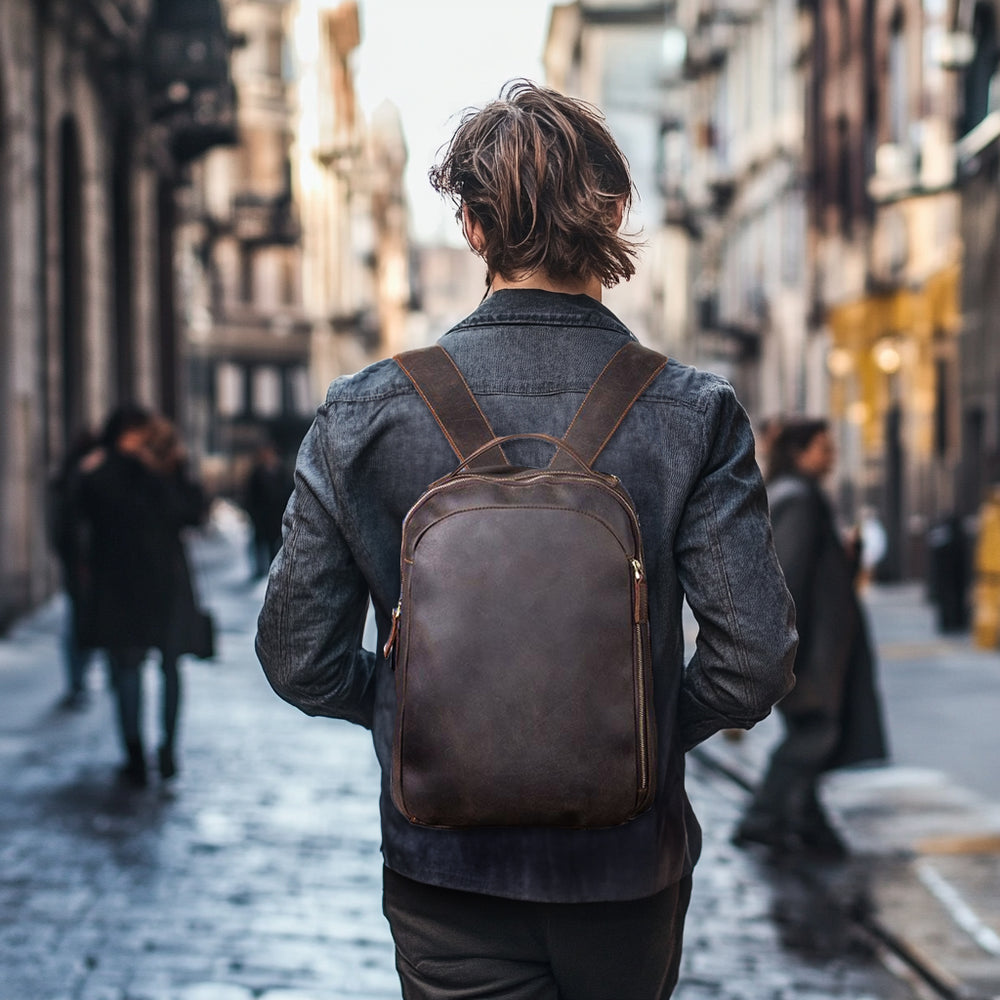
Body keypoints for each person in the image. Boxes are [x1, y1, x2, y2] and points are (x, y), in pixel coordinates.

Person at [256, 80, 796, 999]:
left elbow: (297, 656)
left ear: (468, 225)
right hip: (625, 870)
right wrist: (639, 737)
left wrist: (420, 718)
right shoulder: (692, 413)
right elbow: (753, 660)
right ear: (618, 210)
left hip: (446, 867)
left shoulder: (362, 415)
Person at [733, 417, 888, 858]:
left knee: (816, 733)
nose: (832, 455)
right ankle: (764, 820)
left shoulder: (796, 494)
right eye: (823, 447)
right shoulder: (798, 499)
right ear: (800, 452)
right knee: (815, 734)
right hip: (813, 651)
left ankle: (806, 822)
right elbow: (790, 578)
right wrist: (787, 650)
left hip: (817, 647)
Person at [76, 407, 207, 786]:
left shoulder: (120, 470)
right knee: (144, 668)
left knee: (147, 667)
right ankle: (148, 752)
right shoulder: (140, 470)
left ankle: (153, 753)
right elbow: (191, 511)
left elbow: (192, 513)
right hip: (145, 583)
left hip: (138, 583)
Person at [47, 429, 102, 709]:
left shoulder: (72, 481)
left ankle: (79, 679)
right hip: (84, 565)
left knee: (81, 622)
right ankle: (79, 680)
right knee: (80, 623)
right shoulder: (79, 483)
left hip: (83, 565)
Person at [244, 442, 292, 580]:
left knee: (274, 545)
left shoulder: (282, 473)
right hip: (261, 516)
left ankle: (273, 571)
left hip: (276, 516)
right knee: (259, 543)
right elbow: (250, 496)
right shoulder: (257, 474)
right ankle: (259, 571)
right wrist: (253, 514)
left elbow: (287, 493)